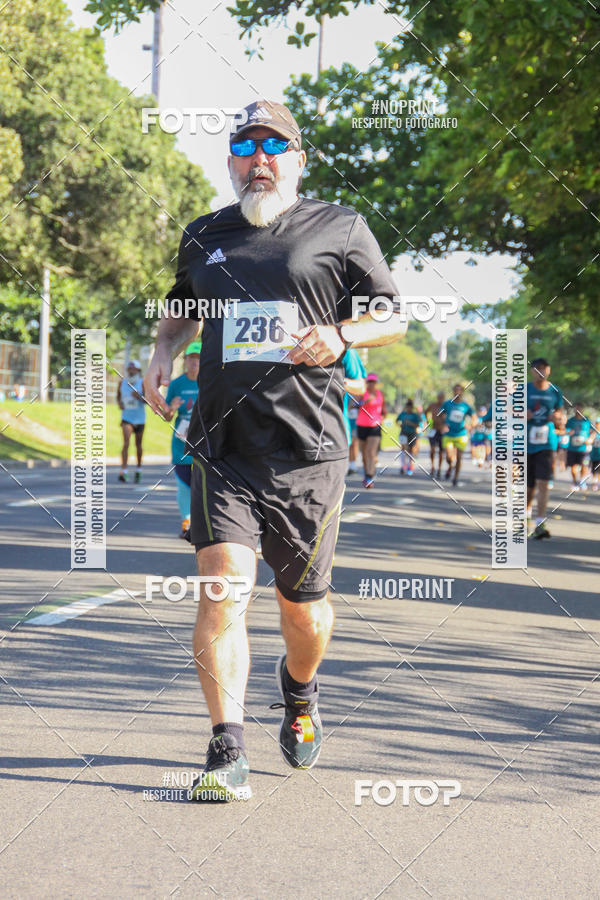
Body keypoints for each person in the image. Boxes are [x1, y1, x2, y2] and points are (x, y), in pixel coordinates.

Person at [143, 99, 406, 801]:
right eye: (246, 145)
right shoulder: (205, 234)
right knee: (223, 588)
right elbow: (180, 311)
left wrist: (345, 336)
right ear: (230, 160)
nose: (259, 157)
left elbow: (390, 313)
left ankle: (300, 691)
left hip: (309, 448)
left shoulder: (339, 227)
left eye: (274, 145)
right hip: (223, 444)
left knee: (303, 610)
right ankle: (226, 750)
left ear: (298, 159)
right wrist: (160, 353)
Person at [162, 341, 202, 537]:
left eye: (198, 359)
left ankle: (204, 523)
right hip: (182, 442)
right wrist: (172, 408)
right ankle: (187, 522)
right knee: (184, 483)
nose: (194, 363)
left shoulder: (210, 382)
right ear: (185, 361)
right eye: (191, 359)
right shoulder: (177, 384)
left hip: (204, 443)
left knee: (203, 484)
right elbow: (166, 415)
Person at [526, 358, 562, 539]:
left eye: (544, 368)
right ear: (532, 371)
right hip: (526, 443)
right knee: (529, 486)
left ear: (549, 370)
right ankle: (525, 518)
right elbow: (510, 411)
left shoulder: (555, 391)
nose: (541, 371)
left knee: (543, 483)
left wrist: (556, 418)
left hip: (547, 442)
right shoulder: (524, 390)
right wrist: (522, 414)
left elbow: (559, 413)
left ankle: (540, 523)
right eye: (537, 368)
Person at [356, 373, 387, 488]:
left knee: (371, 452)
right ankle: (367, 474)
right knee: (364, 454)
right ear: (367, 383)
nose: (371, 384)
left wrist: (383, 416)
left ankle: (370, 476)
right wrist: (365, 402)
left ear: (376, 383)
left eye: (373, 382)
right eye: (369, 382)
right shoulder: (362, 393)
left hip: (375, 426)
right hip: (362, 425)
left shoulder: (380, 394)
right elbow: (354, 405)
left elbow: (384, 410)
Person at [439, 384, 474, 487]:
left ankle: (455, 477)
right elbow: (439, 415)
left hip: (461, 434)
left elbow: (474, 417)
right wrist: (443, 424)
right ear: (453, 392)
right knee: (449, 457)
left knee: (459, 457)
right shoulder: (447, 404)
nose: (457, 393)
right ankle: (450, 466)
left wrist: (470, 425)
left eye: (459, 391)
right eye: (455, 391)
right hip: (449, 434)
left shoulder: (465, 406)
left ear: (462, 392)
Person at [117, 359, 145, 483]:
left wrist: (139, 397)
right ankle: (124, 471)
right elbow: (118, 397)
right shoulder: (122, 383)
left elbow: (148, 401)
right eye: (130, 369)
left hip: (140, 418)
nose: (131, 371)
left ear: (138, 371)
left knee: (138, 445)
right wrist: (119, 404)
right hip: (127, 417)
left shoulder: (142, 383)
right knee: (126, 443)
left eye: (134, 369)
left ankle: (138, 470)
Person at [341, 350, 367, 468]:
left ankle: (352, 464)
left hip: (347, 417)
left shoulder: (348, 351)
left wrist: (353, 403)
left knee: (355, 441)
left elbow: (361, 386)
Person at [565, 402, 592, 490]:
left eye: (579, 408)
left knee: (584, 466)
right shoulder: (570, 421)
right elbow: (564, 429)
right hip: (572, 448)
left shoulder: (587, 420)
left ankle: (581, 481)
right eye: (576, 408)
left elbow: (595, 430)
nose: (578, 410)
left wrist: (590, 438)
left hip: (584, 449)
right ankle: (574, 482)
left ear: (582, 410)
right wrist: (568, 432)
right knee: (573, 466)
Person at [396, 398, 422, 475]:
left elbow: (418, 425)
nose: (409, 409)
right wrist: (399, 424)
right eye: (408, 407)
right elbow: (397, 421)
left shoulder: (415, 415)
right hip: (403, 433)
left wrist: (410, 423)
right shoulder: (403, 414)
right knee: (404, 448)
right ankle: (403, 466)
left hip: (412, 434)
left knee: (412, 450)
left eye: (410, 407)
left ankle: (410, 466)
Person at [424, 392, 445, 478]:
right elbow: (426, 412)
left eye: (442, 397)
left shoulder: (446, 406)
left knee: (441, 451)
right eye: (439, 397)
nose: (440, 399)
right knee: (432, 449)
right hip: (433, 430)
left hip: (441, 430)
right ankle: (432, 467)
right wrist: (428, 421)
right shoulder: (432, 405)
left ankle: (439, 469)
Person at [589, 418, 600, 491]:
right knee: (594, 471)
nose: (598, 425)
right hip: (594, 456)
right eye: (597, 423)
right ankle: (595, 483)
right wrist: (594, 433)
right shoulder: (593, 433)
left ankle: (597, 483)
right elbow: (588, 441)